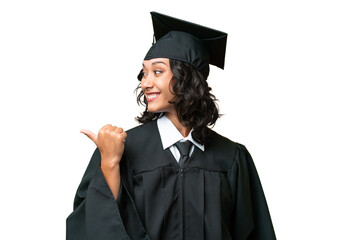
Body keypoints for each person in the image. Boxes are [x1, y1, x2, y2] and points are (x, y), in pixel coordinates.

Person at [66, 12, 276, 240]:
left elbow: (254, 234)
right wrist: (109, 163)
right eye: (144, 74)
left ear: (187, 78)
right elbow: (93, 227)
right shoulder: (120, 149)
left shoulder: (231, 157)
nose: (146, 83)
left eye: (157, 72)